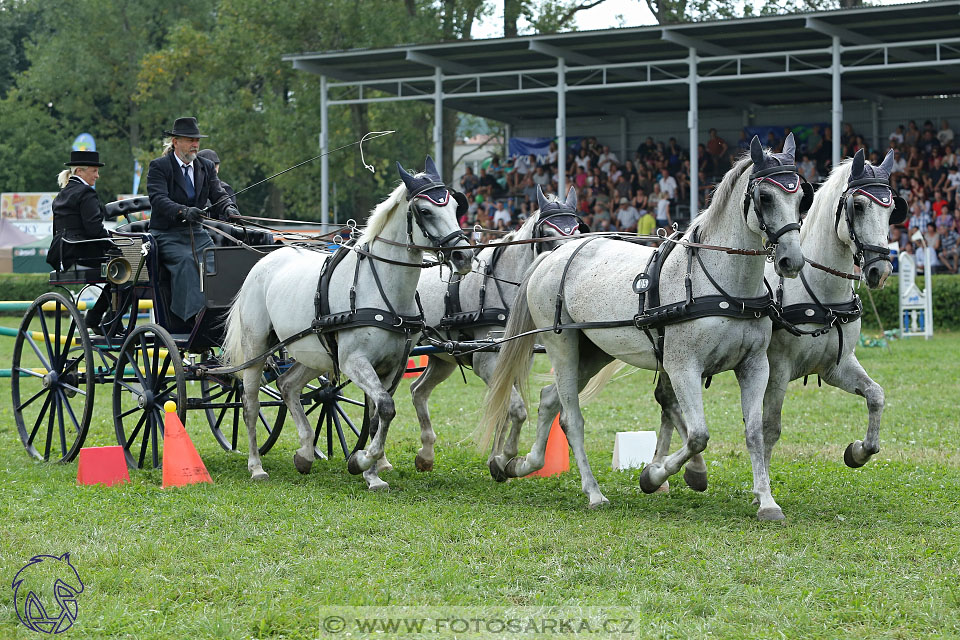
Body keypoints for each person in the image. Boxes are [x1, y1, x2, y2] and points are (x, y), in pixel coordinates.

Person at [147, 117, 239, 324]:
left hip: (196, 233)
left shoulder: (205, 167)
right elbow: (158, 199)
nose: (195, 144)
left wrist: (229, 208)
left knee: (215, 262)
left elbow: (218, 193)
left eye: (197, 140)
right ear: (176, 142)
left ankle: (219, 316)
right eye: (190, 140)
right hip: (166, 234)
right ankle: (190, 319)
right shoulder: (160, 167)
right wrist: (182, 211)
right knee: (188, 262)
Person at [46, 150, 114, 330]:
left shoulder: (62, 194)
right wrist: (114, 242)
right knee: (130, 272)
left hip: (63, 255)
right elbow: (94, 230)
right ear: (79, 172)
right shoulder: (86, 193)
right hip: (83, 253)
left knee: (122, 271)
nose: (97, 176)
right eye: (94, 171)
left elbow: (57, 231)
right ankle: (103, 318)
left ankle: (101, 317)